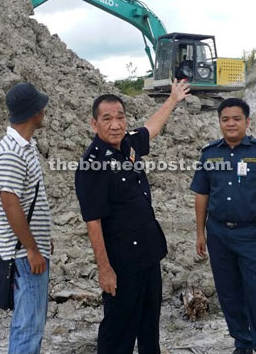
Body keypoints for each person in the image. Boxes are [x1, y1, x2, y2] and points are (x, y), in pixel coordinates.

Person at [74, 79, 190, 354]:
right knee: (119, 331)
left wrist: (173, 99)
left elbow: (152, 128)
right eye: (107, 119)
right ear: (94, 124)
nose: (115, 124)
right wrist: (104, 269)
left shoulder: (127, 144)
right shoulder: (92, 164)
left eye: (120, 117)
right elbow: (93, 221)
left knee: (149, 325)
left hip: (148, 255)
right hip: (122, 263)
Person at [190, 98, 256, 354]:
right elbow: (201, 194)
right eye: (225, 119)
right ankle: (242, 344)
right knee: (229, 294)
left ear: (247, 121)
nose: (230, 123)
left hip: (251, 236)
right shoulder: (209, 153)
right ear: (219, 122)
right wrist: (201, 233)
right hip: (218, 234)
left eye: (236, 118)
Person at [0, 82, 53, 354]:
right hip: (22, 256)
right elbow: (10, 203)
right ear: (34, 113)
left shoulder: (25, 147)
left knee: (32, 324)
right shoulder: (11, 152)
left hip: (27, 251)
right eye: (42, 106)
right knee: (28, 327)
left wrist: (40, 239)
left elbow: (28, 200)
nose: (44, 110)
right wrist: (31, 248)